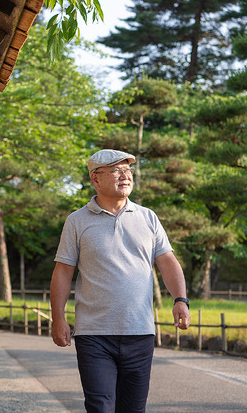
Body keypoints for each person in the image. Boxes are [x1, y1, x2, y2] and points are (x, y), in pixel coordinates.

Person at [50, 149, 191, 413]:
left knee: (133, 409)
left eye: (128, 170)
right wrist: (59, 319)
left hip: (140, 333)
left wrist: (180, 299)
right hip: (94, 335)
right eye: (116, 171)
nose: (125, 176)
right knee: (101, 407)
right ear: (95, 179)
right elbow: (63, 272)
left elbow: (167, 262)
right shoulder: (77, 221)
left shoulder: (148, 218)